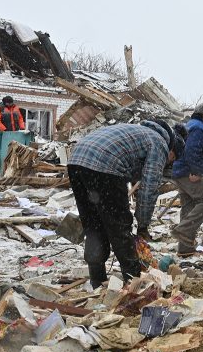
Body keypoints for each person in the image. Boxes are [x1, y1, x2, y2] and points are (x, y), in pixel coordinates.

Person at [68, 120, 183, 288]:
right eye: (172, 158)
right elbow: (148, 190)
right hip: (104, 165)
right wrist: (143, 225)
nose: (169, 162)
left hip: (77, 161)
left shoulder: (138, 132)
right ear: (171, 150)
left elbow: (137, 177)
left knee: (93, 225)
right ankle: (133, 283)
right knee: (119, 227)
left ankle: (97, 280)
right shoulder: (159, 144)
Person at [171, 103, 203, 256]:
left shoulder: (191, 124)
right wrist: (197, 171)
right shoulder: (198, 128)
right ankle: (182, 230)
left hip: (180, 170)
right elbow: (191, 151)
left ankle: (185, 249)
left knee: (189, 206)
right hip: (188, 171)